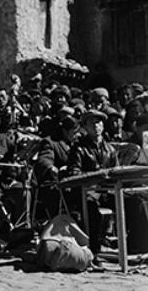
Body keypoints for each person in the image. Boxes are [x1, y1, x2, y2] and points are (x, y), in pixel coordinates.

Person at [67, 109, 119, 259]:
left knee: (134, 201)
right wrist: (94, 177)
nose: (96, 126)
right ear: (85, 127)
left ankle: (135, 247)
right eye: (92, 123)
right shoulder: (78, 148)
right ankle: (94, 252)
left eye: (99, 122)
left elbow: (117, 172)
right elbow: (74, 173)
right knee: (92, 208)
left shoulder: (110, 149)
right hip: (86, 192)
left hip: (106, 191)